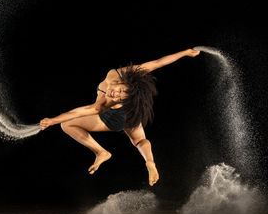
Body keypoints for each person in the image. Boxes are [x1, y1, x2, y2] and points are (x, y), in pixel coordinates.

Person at [40, 48, 200, 186]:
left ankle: (101, 152)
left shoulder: (104, 101)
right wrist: (186, 52)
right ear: (127, 83)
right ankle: (150, 162)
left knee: (67, 124)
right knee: (139, 140)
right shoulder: (124, 73)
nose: (115, 95)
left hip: (116, 119)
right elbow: (158, 63)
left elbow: (79, 112)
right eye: (120, 92)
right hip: (130, 115)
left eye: (119, 98)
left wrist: (54, 120)